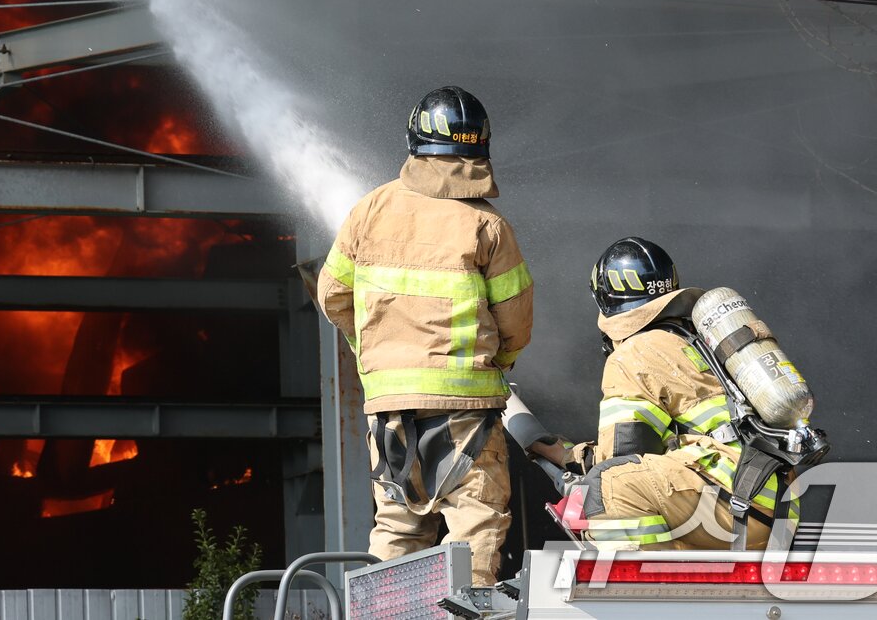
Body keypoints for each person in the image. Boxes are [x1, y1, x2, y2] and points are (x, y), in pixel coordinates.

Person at [316, 86, 533, 586]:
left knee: (398, 525)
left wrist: (375, 352)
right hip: (465, 412)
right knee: (475, 522)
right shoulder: (487, 224)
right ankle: (469, 615)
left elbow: (332, 296)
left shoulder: (369, 209)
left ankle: (380, 612)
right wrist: (499, 363)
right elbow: (516, 322)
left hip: (389, 409)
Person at [567, 236, 795, 549]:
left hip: (733, 504)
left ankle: (644, 578)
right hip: (774, 508)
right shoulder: (698, 340)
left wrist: (581, 472)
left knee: (609, 486)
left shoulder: (634, 352)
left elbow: (623, 454)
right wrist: (572, 455)